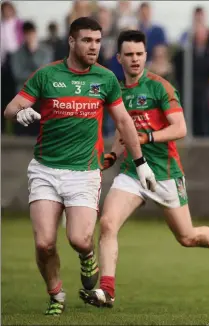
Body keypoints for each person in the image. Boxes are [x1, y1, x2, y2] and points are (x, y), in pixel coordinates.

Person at [78, 30, 209, 308]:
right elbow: (124, 131)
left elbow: (180, 128)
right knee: (108, 223)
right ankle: (107, 291)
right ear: (119, 58)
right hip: (133, 172)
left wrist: (148, 138)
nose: (135, 60)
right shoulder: (117, 91)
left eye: (139, 54)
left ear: (145, 55)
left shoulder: (160, 87)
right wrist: (113, 154)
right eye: (129, 55)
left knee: (188, 237)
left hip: (165, 173)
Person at [3, 17, 156, 316]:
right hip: (45, 169)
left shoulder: (105, 78)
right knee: (45, 243)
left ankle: (87, 255)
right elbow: (11, 107)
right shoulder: (47, 75)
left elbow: (124, 122)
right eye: (87, 40)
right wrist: (21, 113)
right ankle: (56, 294)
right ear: (71, 42)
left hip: (84, 172)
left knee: (79, 238)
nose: (94, 47)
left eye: (98, 41)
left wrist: (141, 164)